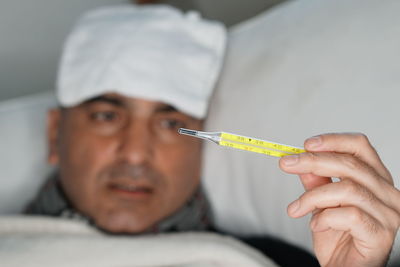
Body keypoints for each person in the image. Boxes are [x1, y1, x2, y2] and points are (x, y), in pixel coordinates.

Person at [25, 4, 400, 267]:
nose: (136, 154)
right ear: (55, 132)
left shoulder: (280, 261)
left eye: (170, 124)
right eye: (107, 116)